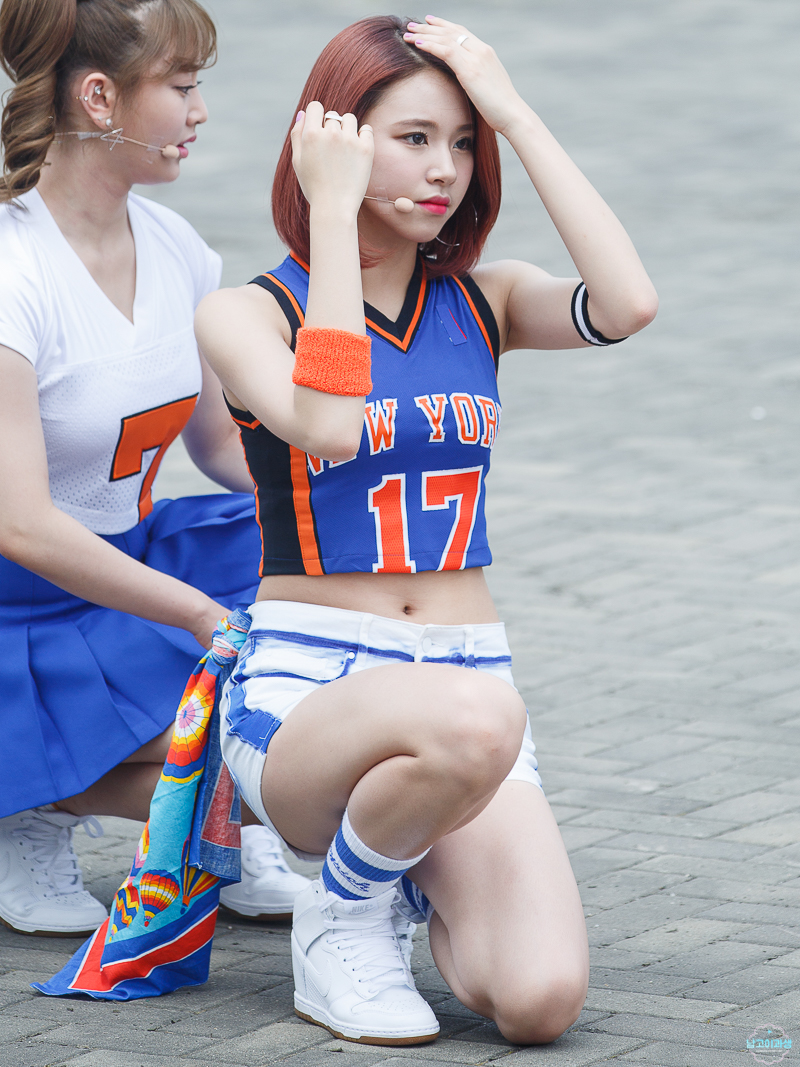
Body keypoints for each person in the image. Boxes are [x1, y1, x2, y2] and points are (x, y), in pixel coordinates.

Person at [196, 13, 658, 1047]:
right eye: (412, 138)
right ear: (334, 140)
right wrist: (329, 212)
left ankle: (393, 870)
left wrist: (513, 113)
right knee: (477, 720)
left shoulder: (485, 300)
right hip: (309, 690)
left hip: (464, 679)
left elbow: (626, 304)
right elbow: (325, 422)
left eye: (460, 142)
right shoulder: (244, 313)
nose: (444, 168)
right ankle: (342, 911)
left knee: (537, 998)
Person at [0, 0, 309, 938]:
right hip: (18, 596)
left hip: (118, 559)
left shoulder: (177, 247)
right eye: (181, 86)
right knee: (260, 755)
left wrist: (342, 497)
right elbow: (21, 523)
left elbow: (218, 445)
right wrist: (198, 613)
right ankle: (26, 809)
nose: (200, 111)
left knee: (311, 566)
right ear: (100, 98)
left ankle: (212, 826)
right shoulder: (13, 269)